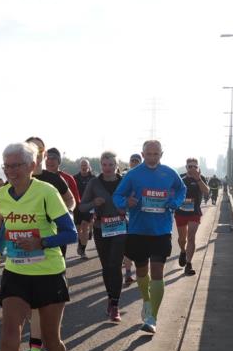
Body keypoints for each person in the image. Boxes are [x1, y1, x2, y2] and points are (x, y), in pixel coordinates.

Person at [0, 141, 77, 351]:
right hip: (16, 272)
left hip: (48, 272)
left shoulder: (46, 192)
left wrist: (42, 242)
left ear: (31, 166)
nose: (11, 171)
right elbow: (8, 224)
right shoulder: (1, 193)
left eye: (17, 165)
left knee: (51, 338)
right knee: (9, 338)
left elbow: (70, 233)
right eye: (7, 166)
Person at [112, 141, 185, 334]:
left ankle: (152, 318)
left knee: (158, 271)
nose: (152, 158)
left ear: (162, 154)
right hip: (138, 230)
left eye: (156, 154)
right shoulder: (133, 174)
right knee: (142, 272)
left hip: (162, 230)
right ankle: (146, 300)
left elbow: (181, 190)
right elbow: (117, 195)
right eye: (149, 154)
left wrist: (175, 202)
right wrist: (126, 202)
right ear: (143, 154)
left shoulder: (170, 173)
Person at [21, 137, 75, 351]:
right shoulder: (18, 179)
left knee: (44, 304)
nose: (35, 152)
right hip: (24, 246)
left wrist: (62, 215)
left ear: (43, 154)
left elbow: (70, 201)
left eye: (39, 149)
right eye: (30, 147)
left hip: (51, 245)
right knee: (32, 303)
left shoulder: (54, 179)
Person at [79, 152, 127, 322]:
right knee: (107, 266)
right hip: (101, 228)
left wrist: (126, 206)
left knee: (115, 264)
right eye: (104, 165)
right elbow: (82, 206)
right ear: (100, 165)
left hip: (120, 227)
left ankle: (115, 304)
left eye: (111, 165)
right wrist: (94, 203)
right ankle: (110, 297)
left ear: (117, 165)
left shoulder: (124, 181)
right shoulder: (94, 182)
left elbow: (135, 201)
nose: (107, 168)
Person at [175, 158, 210, 277]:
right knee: (182, 239)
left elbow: (206, 191)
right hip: (181, 212)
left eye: (195, 166)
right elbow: (172, 192)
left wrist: (198, 179)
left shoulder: (201, 178)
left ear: (198, 167)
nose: (192, 169)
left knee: (191, 237)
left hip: (194, 212)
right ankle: (183, 251)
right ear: (186, 167)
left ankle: (189, 264)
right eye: (190, 166)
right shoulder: (180, 178)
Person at [122, 152, 142, 287]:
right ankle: (128, 274)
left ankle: (143, 273)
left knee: (142, 246)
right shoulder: (124, 176)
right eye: (132, 160)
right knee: (128, 246)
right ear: (129, 163)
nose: (134, 162)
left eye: (136, 160)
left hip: (143, 216)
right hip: (127, 216)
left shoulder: (146, 176)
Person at [73, 159, 96, 258]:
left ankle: (82, 250)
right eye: (82, 165)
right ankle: (80, 243)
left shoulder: (93, 178)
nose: (84, 167)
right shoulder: (74, 178)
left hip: (89, 206)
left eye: (85, 165)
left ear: (89, 166)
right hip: (77, 206)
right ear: (80, 167)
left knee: (85, 226)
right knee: (78, 228)